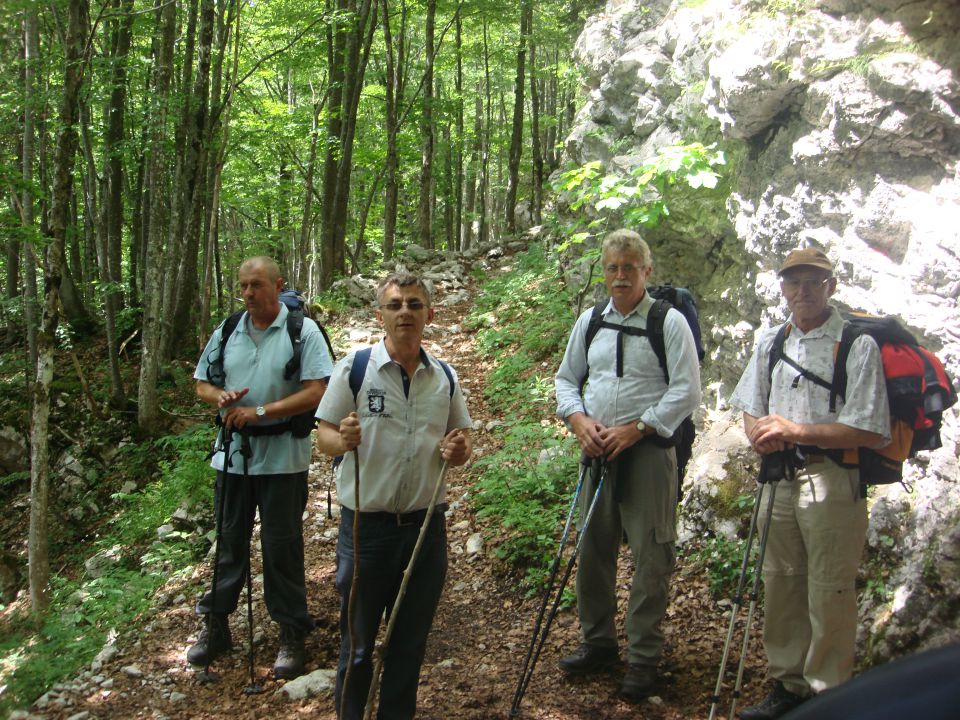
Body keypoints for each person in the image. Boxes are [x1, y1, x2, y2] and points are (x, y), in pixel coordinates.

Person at [729, 247, 891, 719]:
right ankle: (789, 684)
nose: (803, 291)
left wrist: (796, 431)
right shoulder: (770, 342)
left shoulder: (855, 345)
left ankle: (830, 695)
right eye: (794, 282)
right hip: (779, 476)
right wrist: (759, 434)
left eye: (813, 281)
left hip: (833, 477)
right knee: (780, 582)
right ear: (782, 287)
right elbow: (750, 405)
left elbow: (869, 429)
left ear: (830, 286)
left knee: (830, 587)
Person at [314, 272, 472, 720]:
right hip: (367, 529)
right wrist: (341, 439)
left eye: (415, 304)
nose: (406, 311)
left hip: (425, 530)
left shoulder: (443, 376)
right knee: (359, 647)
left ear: (430, 314)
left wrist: (458, 450)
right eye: (396, 304)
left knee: (408, 647)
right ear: (380, 314)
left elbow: (460, 444)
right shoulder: (356, 368)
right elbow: (323, 435)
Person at [554, 229, 701, 701]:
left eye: (630, 267)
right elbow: (565, 380)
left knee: (651, 557)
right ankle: (598, 643)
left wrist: (637, 428)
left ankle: (643, 657)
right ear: (604, 271)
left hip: (650, 456)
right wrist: (578, 420)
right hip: (596, 453)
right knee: (593, 554)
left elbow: (686, 391)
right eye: (613, 267)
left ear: (646, 272)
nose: (621, 276)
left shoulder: (669, 321)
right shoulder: (590, 321)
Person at [188, 256, 332, 680]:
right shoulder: (229, 328)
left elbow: (317, 391)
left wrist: (261, 411)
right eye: (244, 285)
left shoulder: (301, 330)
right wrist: (221, 399)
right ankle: (216, 625)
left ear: (278, 284)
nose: (249, 293)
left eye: (257, 285)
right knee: (229, 540)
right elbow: (200, 383)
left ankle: (291, 630)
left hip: (284, 456)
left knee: (281, 544)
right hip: (231, 455)